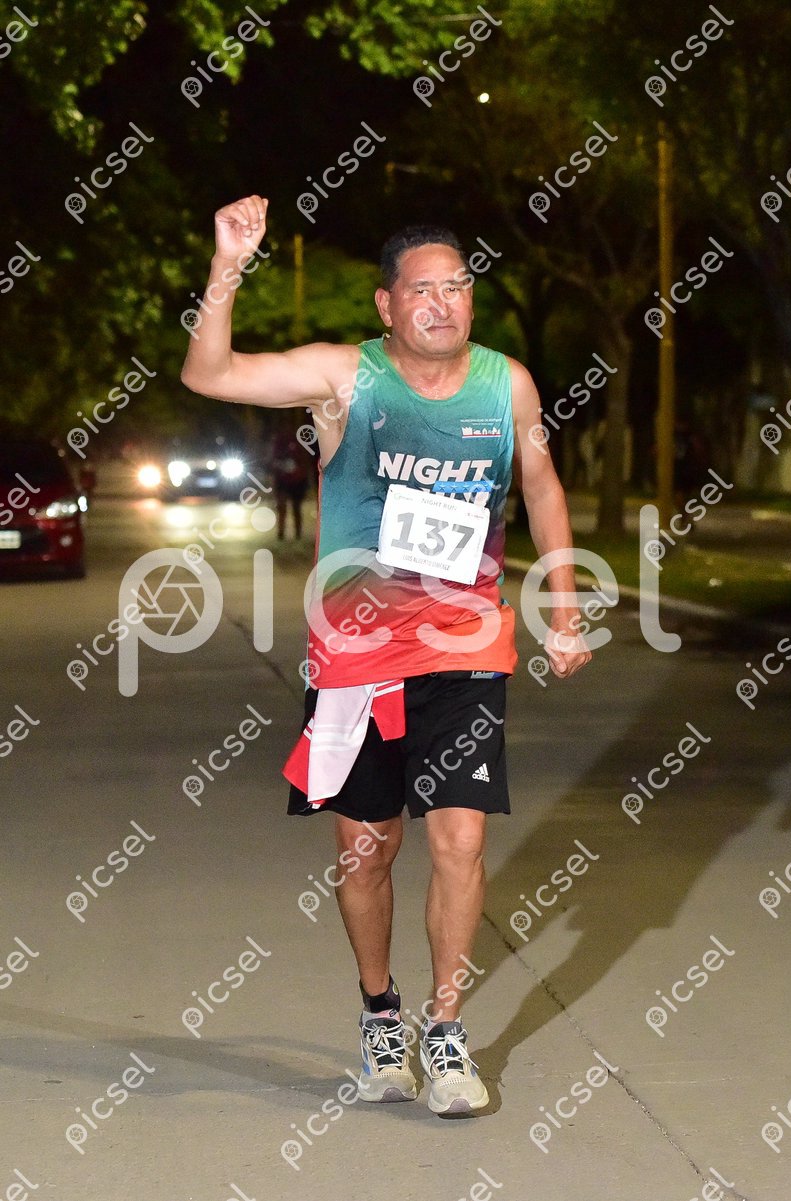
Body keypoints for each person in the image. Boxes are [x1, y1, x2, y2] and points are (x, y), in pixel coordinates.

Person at [181, 194, 591, 1116]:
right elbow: (209, 372)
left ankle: (445, 1032)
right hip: (356, 657)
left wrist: (563, 610)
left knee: (461, 836)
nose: (444, 303)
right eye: (423, 289)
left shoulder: (508, 386)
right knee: (367, 850)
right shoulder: (345, 378)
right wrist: (229, 264)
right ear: (387, 303)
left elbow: (542, 485)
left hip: (465, 645)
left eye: (458, 286)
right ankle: (380, 1014)